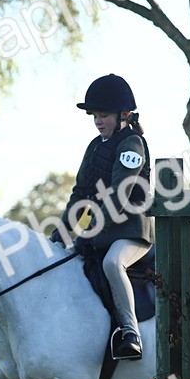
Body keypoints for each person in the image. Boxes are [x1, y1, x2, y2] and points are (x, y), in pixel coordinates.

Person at [53, 74, 153, 360]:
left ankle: (130, 332)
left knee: (111, 263)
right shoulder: (95, 146)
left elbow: (119, 196)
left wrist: (89, 232)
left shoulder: (132, 144)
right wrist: (62, 233)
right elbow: (81, 193)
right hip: (102, 232)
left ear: (124, 115)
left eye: (104, 115)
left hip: (133, 232)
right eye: (95, 115)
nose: (98, 121)